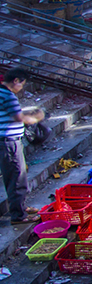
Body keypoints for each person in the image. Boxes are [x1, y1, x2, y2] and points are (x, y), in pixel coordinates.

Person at [0, 68, 45, 223]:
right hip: (9, 141)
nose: (21, 88)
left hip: (5, 141)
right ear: (16, 81)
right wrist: (37, 117)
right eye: (22, 84)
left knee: (14, 176)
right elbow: (19, 117)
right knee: (17, 176)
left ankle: (20, 206)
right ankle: (18, 215)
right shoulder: (8, 96)